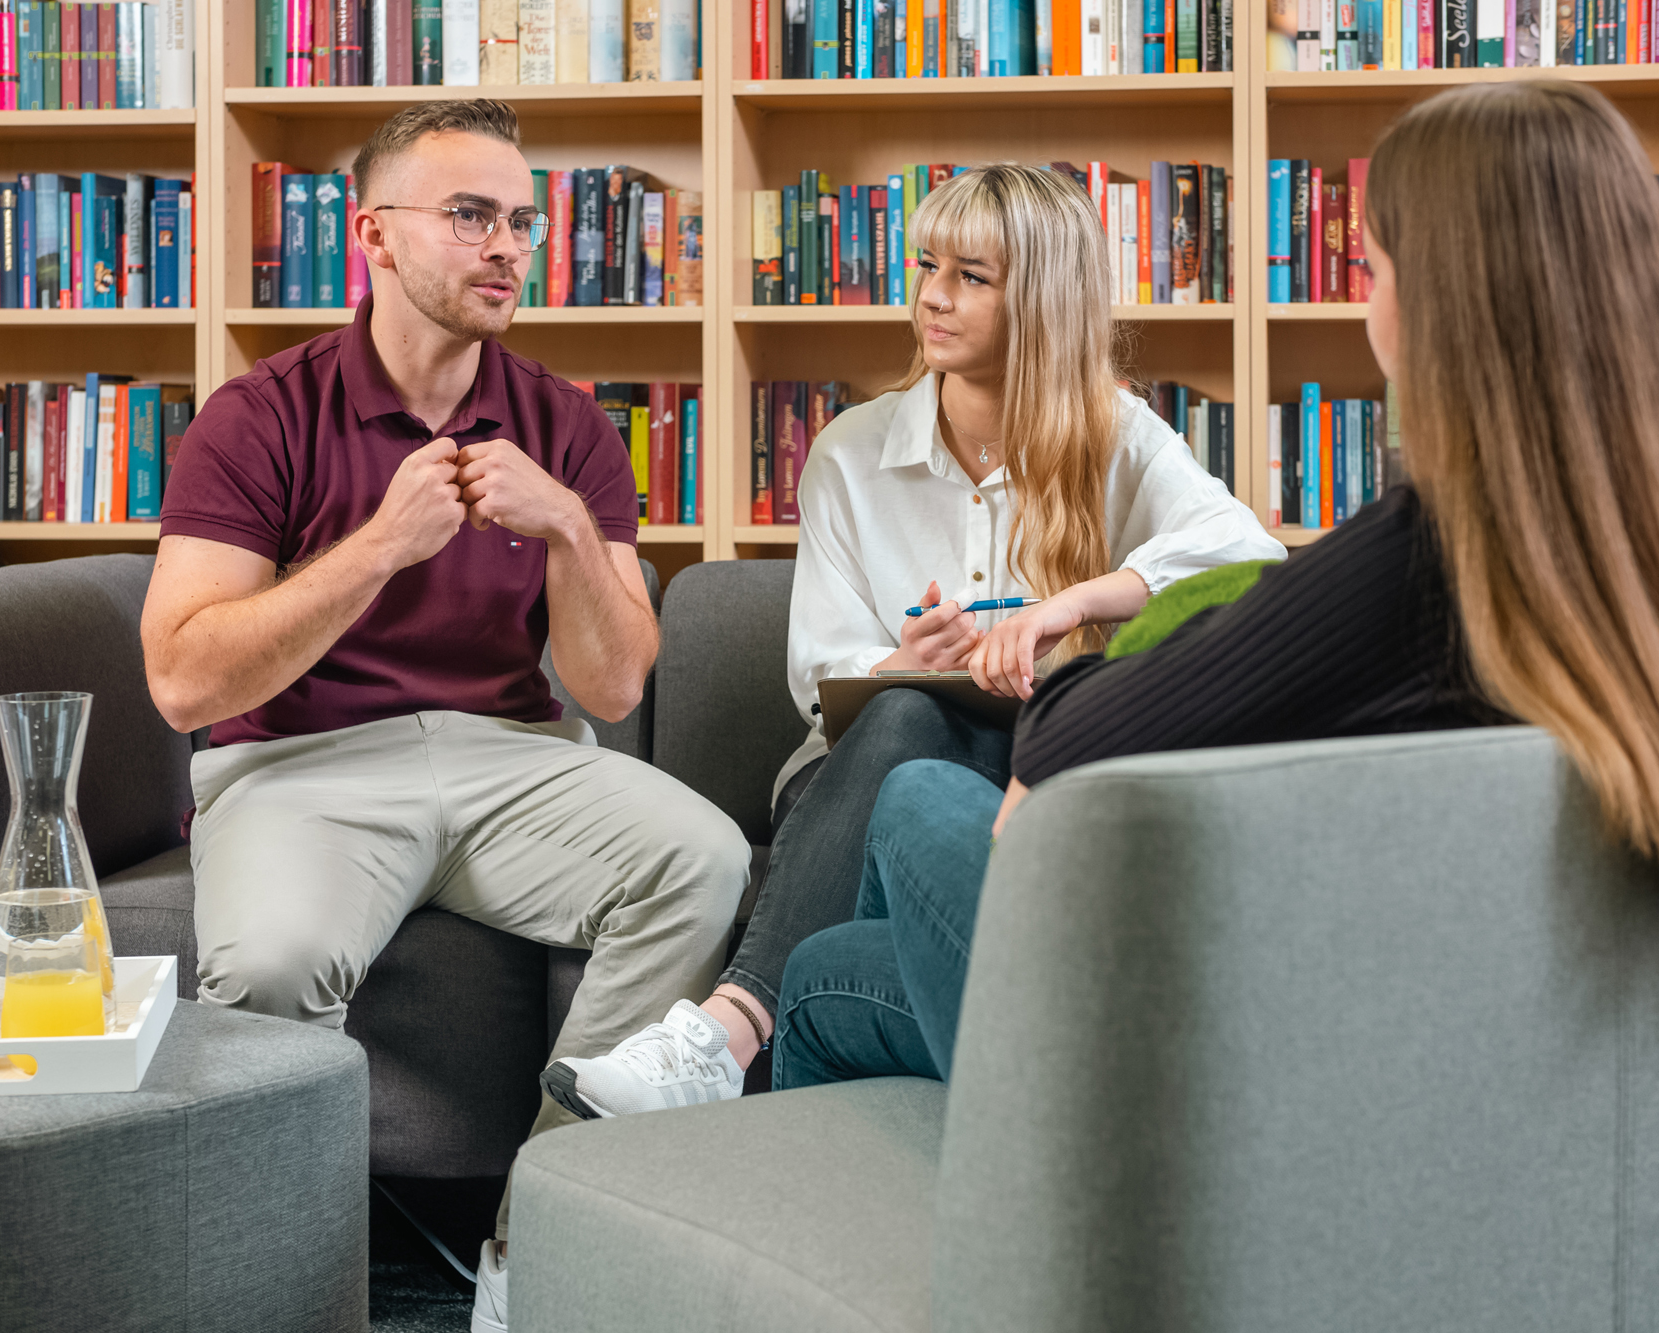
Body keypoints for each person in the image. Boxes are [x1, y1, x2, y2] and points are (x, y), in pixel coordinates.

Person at [772, 79, 1659, 1091]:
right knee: (841, 942)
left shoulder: (1429, 559)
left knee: (868, 885)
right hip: (1500, 1059)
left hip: (1221, 1073)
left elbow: (1076, 733)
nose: (1363, 296)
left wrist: (1089, 636)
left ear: (1440, 302)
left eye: (1375, 261)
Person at [139, 99, 750, 1333]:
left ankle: (543, 1236)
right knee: (266, 962)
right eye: (470, 215)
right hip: (299, 763)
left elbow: (616, 685)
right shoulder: (258, 416)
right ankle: (279, 1285)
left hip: (509, 758)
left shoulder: (565, 426)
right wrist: (377, 548)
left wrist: (569, 528)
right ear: (374, 235)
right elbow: (185, 680)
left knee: (705, 857)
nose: (507, 247)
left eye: (521, 221)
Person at [545, 162, 1284, 1119]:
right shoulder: (851, 452)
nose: (931, 296)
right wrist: (903, 666)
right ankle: (724, 1032)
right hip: (858, 768)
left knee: (900, 834)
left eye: (970, 276)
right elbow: (822, 680)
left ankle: (730, 1043)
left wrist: (1067, 608)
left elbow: (1246, 558)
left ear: (1044, 301)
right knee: (900, 712)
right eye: (927, 264)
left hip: (1020, 779)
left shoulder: (1119, 436)